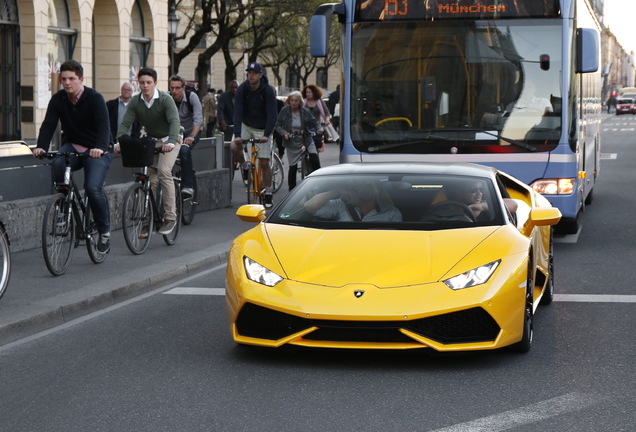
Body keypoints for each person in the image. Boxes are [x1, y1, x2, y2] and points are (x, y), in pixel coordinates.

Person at [33, 59, 113, 254]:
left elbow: (104, 126)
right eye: (64, 79)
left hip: (97, 149)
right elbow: (49, 124)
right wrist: (41, 147)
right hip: (73, 146)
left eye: (72, 79)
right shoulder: (59, 99)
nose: (67, 83)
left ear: (81, 79)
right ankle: (63, 206)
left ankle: (104, 232)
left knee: (92, 188)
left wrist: (100, 148)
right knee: (58, 162)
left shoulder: (95, 98)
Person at [115, 67, 182, 235]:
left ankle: (170, 216)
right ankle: (147, 220)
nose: (145, 86)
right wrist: (120, 141)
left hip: (170, 139)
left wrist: (172, 142)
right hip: (152, 140)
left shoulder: (165, 99)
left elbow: (174, 121)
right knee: (149, 178)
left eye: (149, 83)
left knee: (164, 171)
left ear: (155, 84)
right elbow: (125, 123)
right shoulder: (136, 101)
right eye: (142, 83)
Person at [231, 63, 278, 208]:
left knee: (264, 162)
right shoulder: (243, 89)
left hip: (262, 128)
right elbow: (238, 111)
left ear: (260, 75)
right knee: (234, 146)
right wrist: (238, 134)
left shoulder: (268, 91)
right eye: (249, 73)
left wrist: (266, 134)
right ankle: (245, 166)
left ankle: (268, 191)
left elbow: (272, 115)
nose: (251, 75)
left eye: (254, 73)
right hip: (246, 124)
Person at [274, 91, 322, 191]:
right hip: (291, 141)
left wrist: (319, 128)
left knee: (315, 159)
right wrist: (285, 133)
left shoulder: (305, 111)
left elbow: (314, 122)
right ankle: (291, 190)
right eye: (292, 100)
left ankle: (319, 183)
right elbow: (277, 126)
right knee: (293, 167)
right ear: (289, 101)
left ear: (300, 102)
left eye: (296, 101)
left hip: (306, 138)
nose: (294, 103)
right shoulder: (284, 111)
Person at [304, 178, 402, 222]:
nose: (366, 188)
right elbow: (309, 206)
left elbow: (397, 240)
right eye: (361, 184)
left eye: (369, 185)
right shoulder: (341, 205)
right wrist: (337, 192)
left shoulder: (391, 212)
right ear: (354, 188)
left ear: (377, 189)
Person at [169, 75, 203, 199]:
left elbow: (198, 120)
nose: (174, 91)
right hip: (174, 132)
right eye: (172, 88)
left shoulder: (191, 97)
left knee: (184, 150)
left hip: (190, 131)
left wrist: (192, 136)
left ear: (183, 88)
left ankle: (187, 186)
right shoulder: (167, 98)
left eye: (177, 88)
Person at [302, 84, 332, 149]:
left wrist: (327, 120)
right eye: (307, 92)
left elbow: (327, 112)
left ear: (314, 93)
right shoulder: (303, 102)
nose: (308, 94)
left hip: (316, 128)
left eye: (310, 92)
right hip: (304, 127)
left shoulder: (319, 101)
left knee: (316, 146)